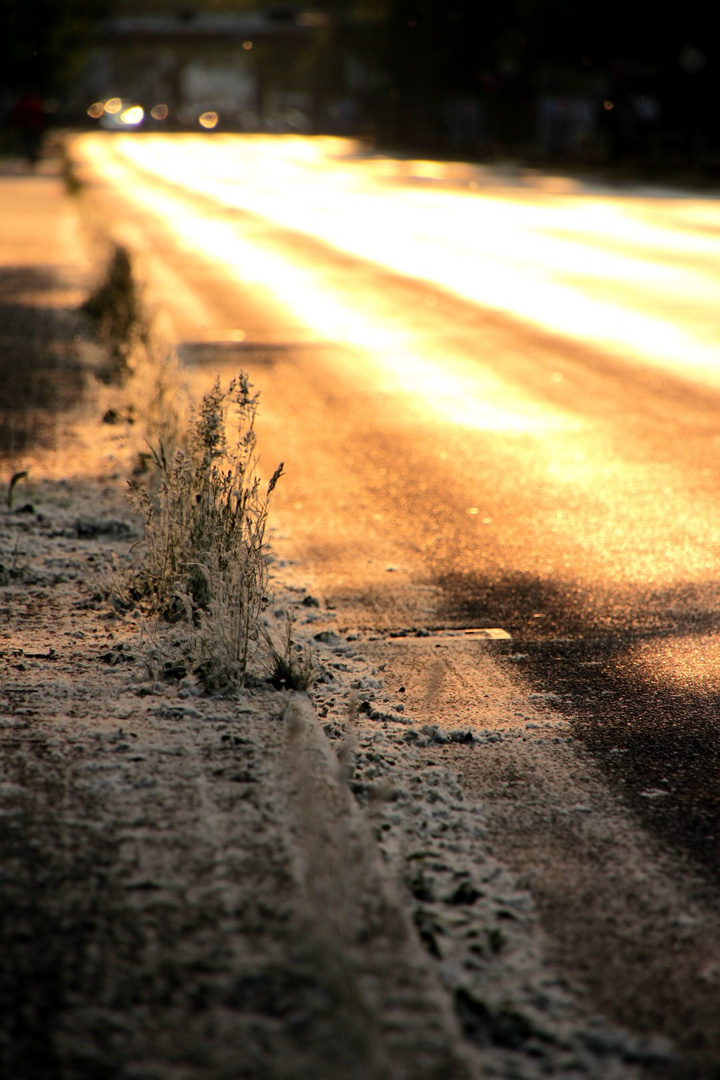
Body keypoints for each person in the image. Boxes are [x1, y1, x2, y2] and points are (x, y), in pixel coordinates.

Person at [12, 92, 45, 167]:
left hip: (27, 126)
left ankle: (31, 156)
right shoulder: (35, 103)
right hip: (34, 126)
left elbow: (17, 115)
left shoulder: (23, 104)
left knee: (28, 142)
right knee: (32, 142)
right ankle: (32, 156)